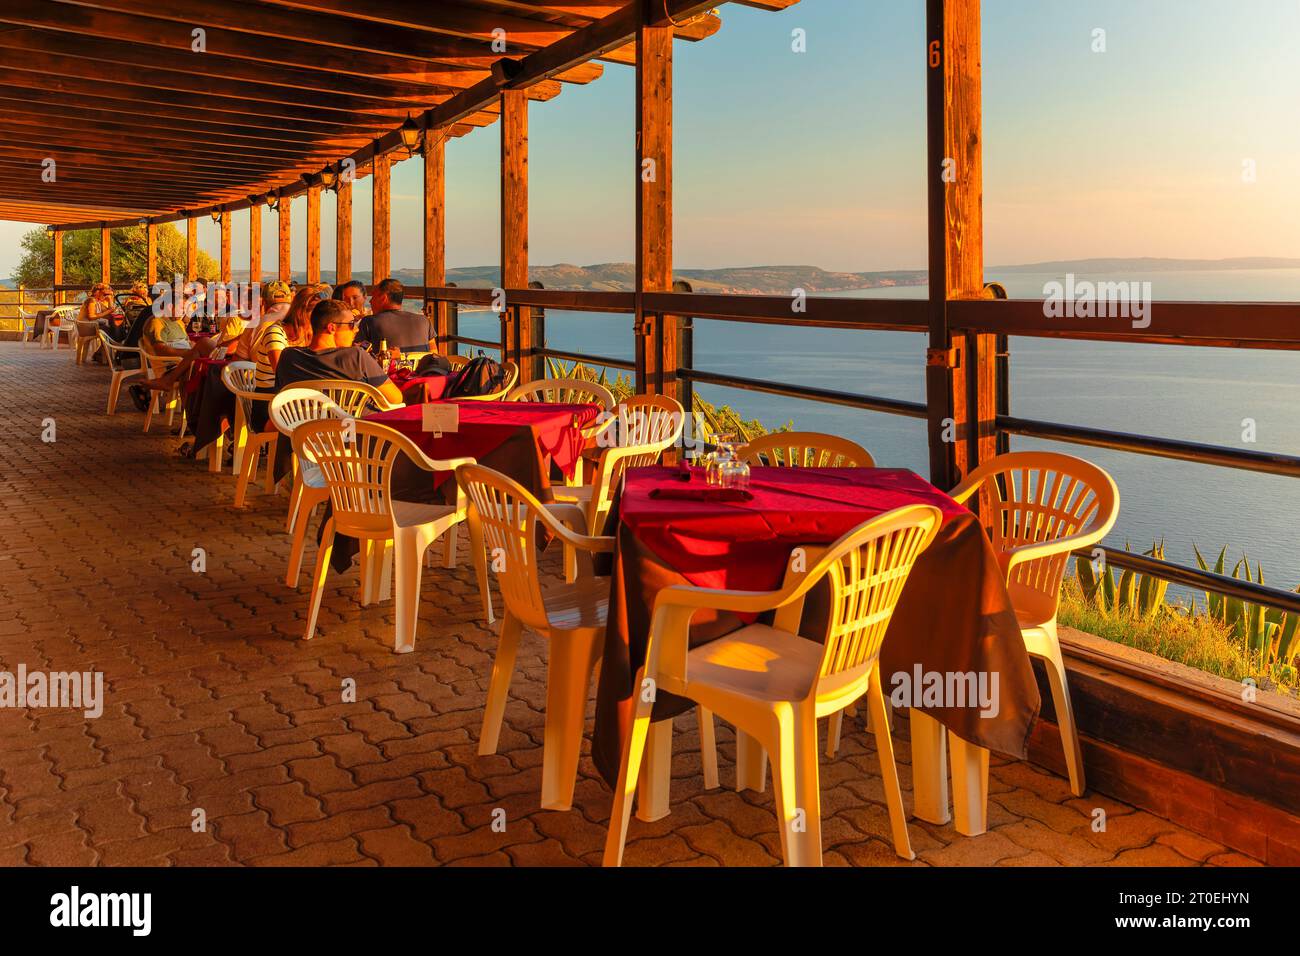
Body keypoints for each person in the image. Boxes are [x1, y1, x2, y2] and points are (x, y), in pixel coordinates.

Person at [275, 299, 405, 407]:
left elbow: (280, 399)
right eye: (351, 324)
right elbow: (395, 398)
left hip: (300, 434)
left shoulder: (288, 357)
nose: (356, 329)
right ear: (332, 328)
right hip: (350, 434)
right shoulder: (356, 357)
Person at [357, 278, 431, 353]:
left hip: (387, 364)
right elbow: (434, 353)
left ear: (383, 298)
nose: (370, 301)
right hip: (422, 364)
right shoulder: (424, 320)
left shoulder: (369, 322)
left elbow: (358, 353)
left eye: (373, 296)